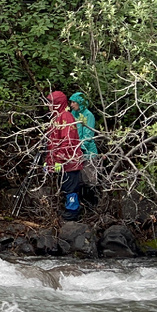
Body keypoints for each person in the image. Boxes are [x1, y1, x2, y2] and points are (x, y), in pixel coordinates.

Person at [45, 90, 83, 221]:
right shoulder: (56, 118)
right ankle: (68, 209)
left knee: (70, 187)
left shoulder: (66, 117)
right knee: (65, 186)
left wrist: (59, 159)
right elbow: (52, 143)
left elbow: (68, 141)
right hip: (61, 161)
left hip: (70, 161)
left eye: (51, 103)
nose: (49, 106)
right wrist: (49, 161)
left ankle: (73, 211)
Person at [69, 91, 99, 193]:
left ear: (80, 102)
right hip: (76, 153)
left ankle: (94, 205)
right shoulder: (73, 114)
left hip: (88, 153)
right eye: (71, 102)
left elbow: (88, 136)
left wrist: (77, 147)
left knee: (90, 182)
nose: (71, 105)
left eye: (74, 102)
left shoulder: (88, 115)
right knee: (79, 182)